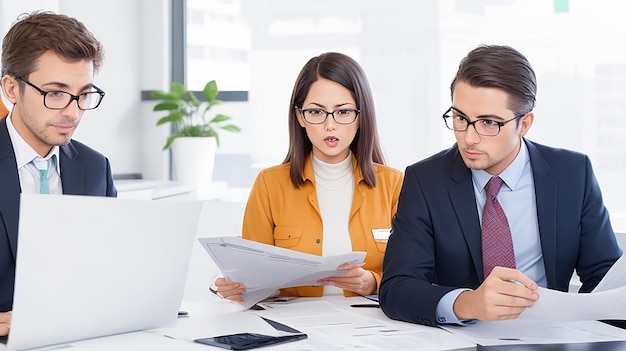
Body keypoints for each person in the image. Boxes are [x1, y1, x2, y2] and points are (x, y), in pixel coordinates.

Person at [379, 45, 622, 327]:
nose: (469, 138)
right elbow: (397, 288)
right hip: (464, 338)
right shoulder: (425, 180)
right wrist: (467, 303)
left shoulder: (572, 173)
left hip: (552, 337)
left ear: (524, 124)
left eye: (488, 123)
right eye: (460, 118)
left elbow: (605, 281)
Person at [214, 52, 403, 302]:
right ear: (300, 117)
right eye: (316, 112)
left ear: (361, 116)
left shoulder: (394, 185)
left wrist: (373, 282)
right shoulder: (269, 185)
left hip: (371, 328)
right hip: (295, 328)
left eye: (343, 112)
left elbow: (411, 274)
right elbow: (254, 279)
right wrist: (240, 287)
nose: (330, 125)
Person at [0, 11, 117, 335]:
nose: (73, 110)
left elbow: (110, 268)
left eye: (83, 94)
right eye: (55, 93)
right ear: (11, 88)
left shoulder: (96, 168)